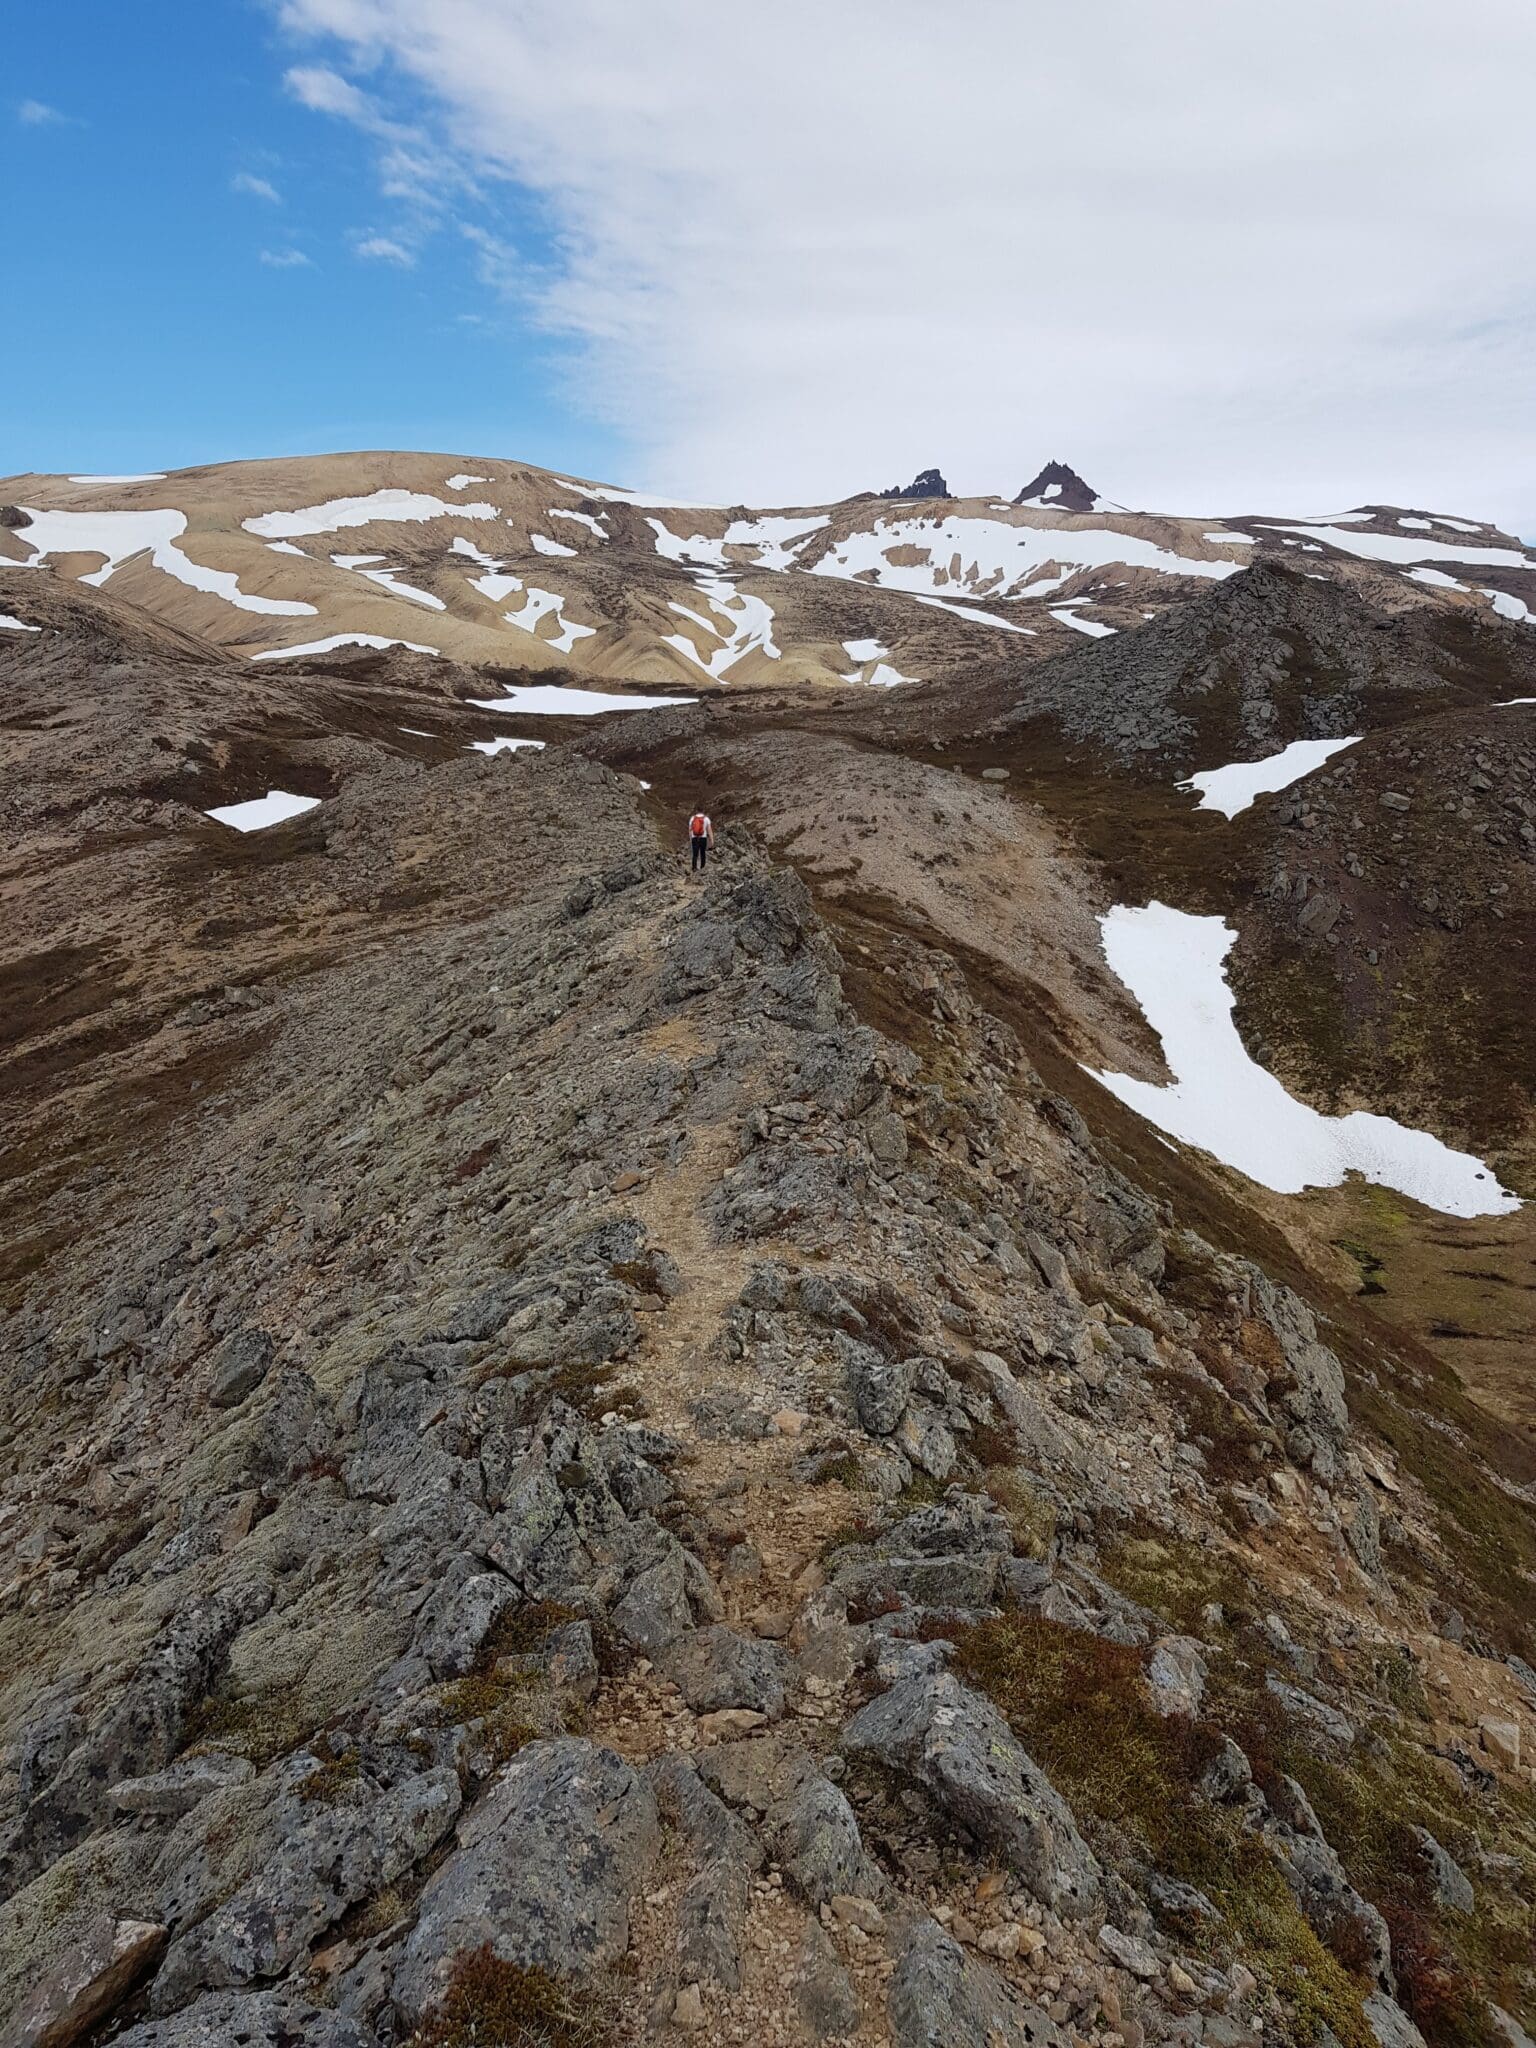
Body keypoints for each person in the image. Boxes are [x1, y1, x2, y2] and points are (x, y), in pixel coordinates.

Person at [688, 807, 714, 872]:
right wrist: (711, 840)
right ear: (703, 811)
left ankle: (694, 868)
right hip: (703, 838)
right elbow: (709, 830)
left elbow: (690, 830)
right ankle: (702, 868)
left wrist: (691, 839)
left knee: (695, 854)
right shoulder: (706, 819)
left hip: (695, 838)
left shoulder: (692, 818)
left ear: (696, 811)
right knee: (703, 853)